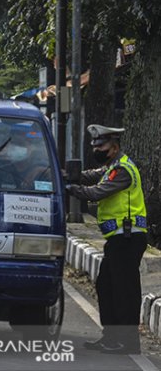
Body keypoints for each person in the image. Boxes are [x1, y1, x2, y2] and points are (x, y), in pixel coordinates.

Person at [67, 124, 147, 355]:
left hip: (128, 239)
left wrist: (72, 188)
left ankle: (127, 341)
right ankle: (111, 336)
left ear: (114, 146)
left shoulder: (122, 170)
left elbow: (96, 192)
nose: (96, 149)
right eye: (94, 145)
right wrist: (64, 174)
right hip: (118, 240)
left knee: (123, 291)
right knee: (107, 287)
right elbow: (91, 175)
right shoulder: (112, 167)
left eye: (100, 145)